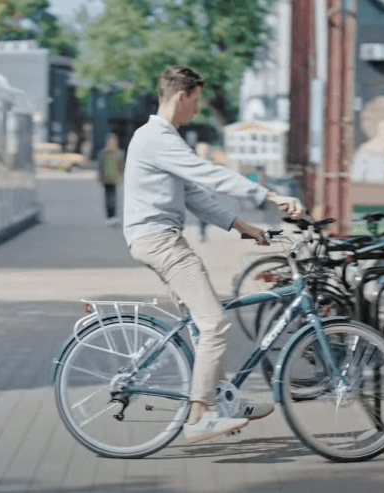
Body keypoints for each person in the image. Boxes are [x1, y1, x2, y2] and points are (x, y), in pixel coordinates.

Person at [123, 65, 304, 444]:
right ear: (180, 97)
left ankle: (226, 399)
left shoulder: (159, 138)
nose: (198, 109)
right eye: (197, 100)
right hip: (160, 240)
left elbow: (194, 195)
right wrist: (268, 196)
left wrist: (246, 228)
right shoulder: (158, 138)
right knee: (215, 323)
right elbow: (211, 175)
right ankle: (199, 415)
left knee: (201, 322)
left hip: (160, 237)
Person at [96, 133, 125, 226]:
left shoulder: (119, 153)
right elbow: (100, 166)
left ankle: (114, 216)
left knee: (113, 199)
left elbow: (122, 166)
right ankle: (109, 217)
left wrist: (121, 176)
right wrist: (100, 177)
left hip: (114, 179)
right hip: (106, 179)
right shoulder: (103, 153)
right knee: (108, 199)